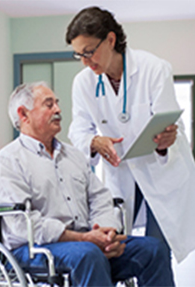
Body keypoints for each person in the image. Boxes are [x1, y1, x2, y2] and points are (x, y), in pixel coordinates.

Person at [0, 81, 174, 286]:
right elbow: (23, 225)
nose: (58, 109)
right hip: (33, 248)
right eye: (48, 105)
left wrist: (108, 233)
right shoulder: (7, 161)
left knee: (153, 249)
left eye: (57, 103)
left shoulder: (74, 156)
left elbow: (100, 197)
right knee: (89, 254)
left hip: (87, 244)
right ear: (23, 114)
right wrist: (82, 239)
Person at [65, 6, 195, 264]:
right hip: (122, 173)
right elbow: (78, 129)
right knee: (119, 250)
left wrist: (163, 143)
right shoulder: (83, 83)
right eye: (79, 55)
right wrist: (93, 141)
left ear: (111, 40)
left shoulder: (154, 69)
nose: (86, 62)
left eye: (89, 52)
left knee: (157, 251)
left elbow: (167, 126)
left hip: (163, 174)